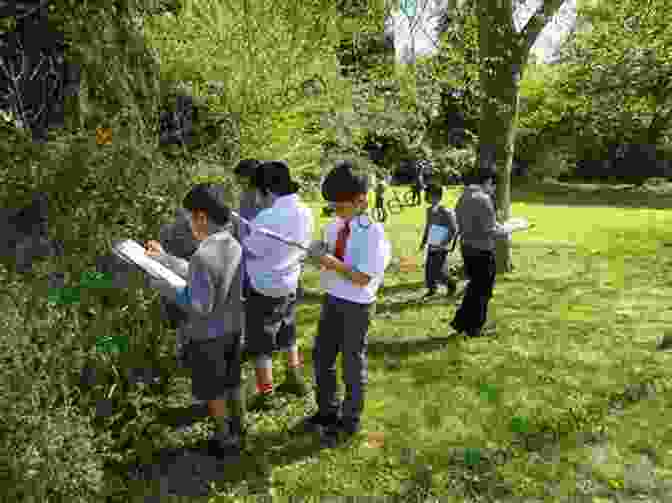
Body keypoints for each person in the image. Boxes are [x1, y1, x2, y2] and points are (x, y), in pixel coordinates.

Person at [144, 183, 246, 457]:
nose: (187, 223)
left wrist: (164, 286)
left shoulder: (202, 255)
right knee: (232, 380)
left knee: (213, 389)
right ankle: (241, 426)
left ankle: (224, 439)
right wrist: (166, 259)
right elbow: (206, 276)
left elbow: (199, 304)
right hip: (234, 327)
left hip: (207, 334)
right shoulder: (232, 245)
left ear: (201, 217)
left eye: (188, 217)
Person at [300, 159, 392, 448]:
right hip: (332, 300)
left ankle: (349, 421)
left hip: (357, 306)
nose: (335, 212)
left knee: (352, 364)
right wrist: (317, 251)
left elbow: (363, 277)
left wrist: (330, 262)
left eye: (340, 206)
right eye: (332, 207)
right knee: (322, 357)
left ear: (361, 200)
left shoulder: (373, 234)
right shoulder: (336, 225)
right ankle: (327, 410)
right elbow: (326, 251)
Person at [238, 160, 314, 411]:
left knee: (261, 341)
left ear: (268, 191)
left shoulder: (267, 217)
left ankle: (266, 393)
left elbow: (249, 249)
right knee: (287, 331)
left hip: (264, 286)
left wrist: (242, 233)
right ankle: (294, 378)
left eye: (258, 192)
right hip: (290, 280)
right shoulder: (305, 210)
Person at [450, 165, 509, 338]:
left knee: (474, 287)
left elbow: (473, 223)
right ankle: (475, 327)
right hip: (482, 249)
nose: (493, 190)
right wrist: (507, 230)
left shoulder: (463, 197)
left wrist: (495, 226)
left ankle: (461, 322)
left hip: (467, 247)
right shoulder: (483, 199)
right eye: (493, 185)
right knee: (483, 290)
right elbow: (489, 229)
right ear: (488, 182)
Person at [418, 184, 458, 299]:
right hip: (432, 243)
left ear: (436, 197)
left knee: (439, 270)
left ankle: (451, 284)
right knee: (429, 268)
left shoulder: (446, 211)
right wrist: (424, 241)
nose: (426, 197)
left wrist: (445, 243)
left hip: (442, 246)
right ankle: (432, 288)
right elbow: (428, 227)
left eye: (428, 195)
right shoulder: (429, 210)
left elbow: (454, 229)